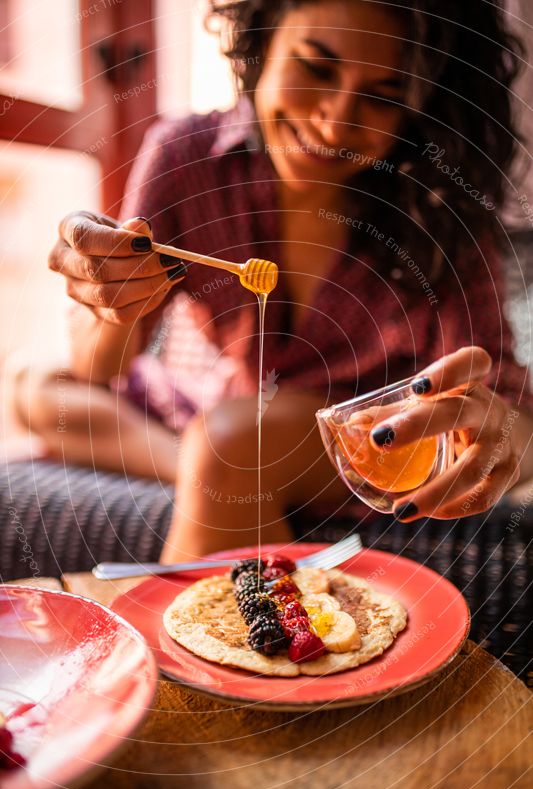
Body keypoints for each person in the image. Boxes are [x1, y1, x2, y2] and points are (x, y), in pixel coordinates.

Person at [12, 0, 533, 563]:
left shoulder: (438, 209)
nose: (334, 122)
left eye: (381, 98)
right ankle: (207, 465)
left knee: (239, 438)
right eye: (315, 67)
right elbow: (103, 368)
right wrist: (107, 303)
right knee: (32, 387)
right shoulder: (184, 156)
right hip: (223, 414)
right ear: (262, 42)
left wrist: (501, 437)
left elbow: (506, 403)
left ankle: (222, 465)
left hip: (357, 437)